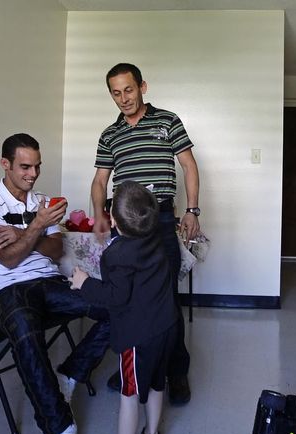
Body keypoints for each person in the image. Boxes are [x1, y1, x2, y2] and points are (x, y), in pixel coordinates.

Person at [0, 133, 110, 434]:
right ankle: (61, 429)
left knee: (117, 307)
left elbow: (56, 251)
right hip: (9, 290)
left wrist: (21, 235)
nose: (32, 175)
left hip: (49, 284)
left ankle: (70, 374)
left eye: (37, 166)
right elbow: (7, 261)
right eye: (24, 167)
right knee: (25, 334)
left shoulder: (44, 201)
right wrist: (36, 228)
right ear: (5, 164)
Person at [91, 62, 201, 405]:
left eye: (129, 89)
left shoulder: (167, 121)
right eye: (116, 92)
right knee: (125, 299)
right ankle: (132, 364)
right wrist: (98, 214)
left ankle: (176, 371)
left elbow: (188, 165)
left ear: (142, 87)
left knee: (165, 300)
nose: (123, 98)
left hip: (162, 222)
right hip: (124, 228)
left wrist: (192, 210)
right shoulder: (110, 134)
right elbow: (99, 181)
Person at [70, 181, 178, 434]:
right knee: (158, 383)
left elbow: (115, 297)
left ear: (113, 219)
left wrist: (83, 283)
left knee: (129, 395)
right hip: (167, 327)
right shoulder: (156, 239)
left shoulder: (116, 255)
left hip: (138, 338)